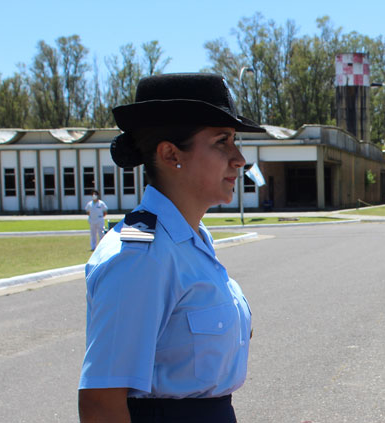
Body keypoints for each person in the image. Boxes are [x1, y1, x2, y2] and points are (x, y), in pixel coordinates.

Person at [78, 73, 264, 423]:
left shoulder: (191, 241)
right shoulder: (140, 258)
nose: (239, 158)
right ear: (170, 154)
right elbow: (101, 404)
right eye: (222, 141)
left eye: (235, 141)